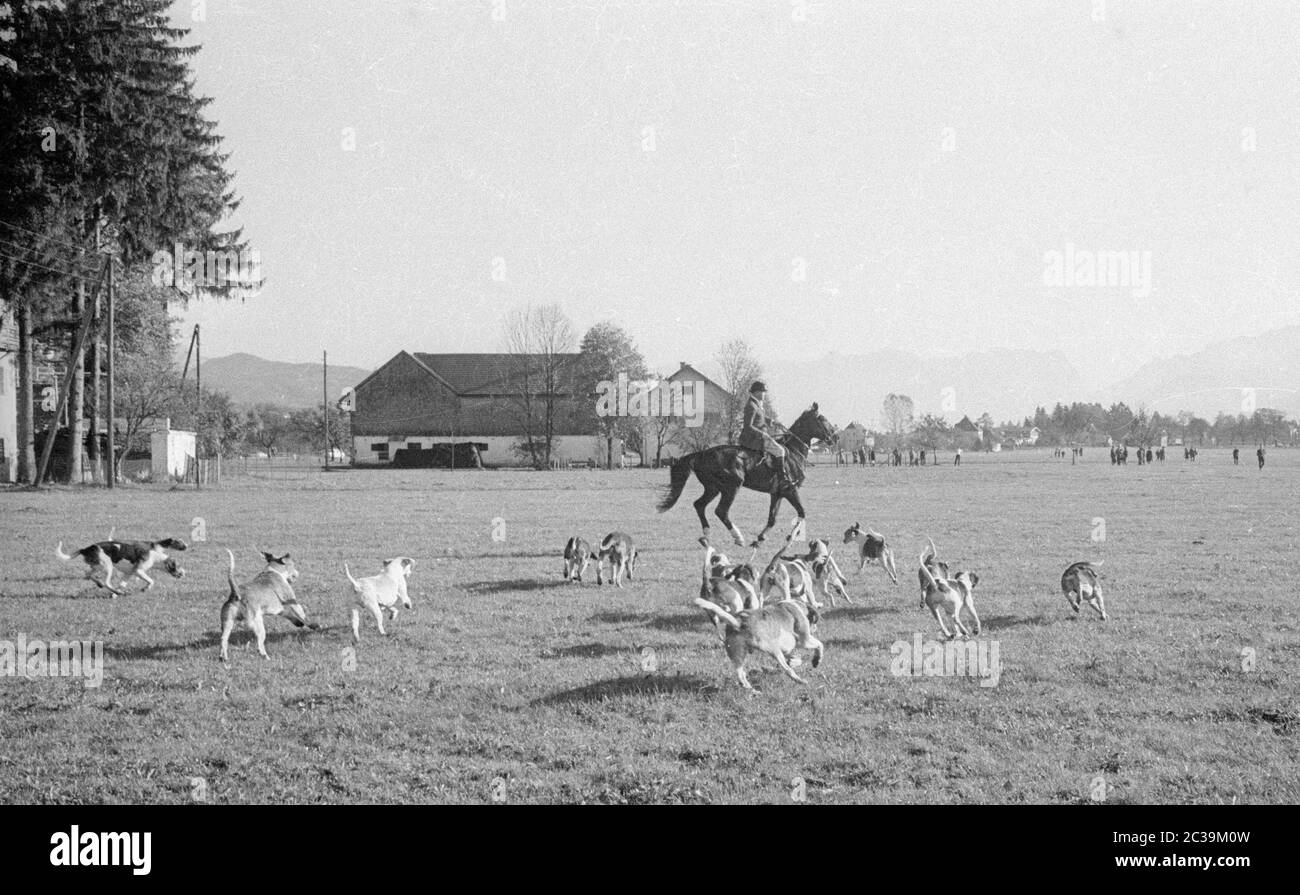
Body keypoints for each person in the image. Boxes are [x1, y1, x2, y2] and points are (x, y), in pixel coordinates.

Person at [738, 381, 784, 471]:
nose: (764, 394)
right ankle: (782, 476)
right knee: (780, 451)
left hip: (758, 437)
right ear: (757, 392)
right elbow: (748, 426)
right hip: (753, 439)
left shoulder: (756, 404)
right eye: (763, 392)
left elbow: (759, 417)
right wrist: (762, 434)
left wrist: (772, 421)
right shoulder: (751, 406)